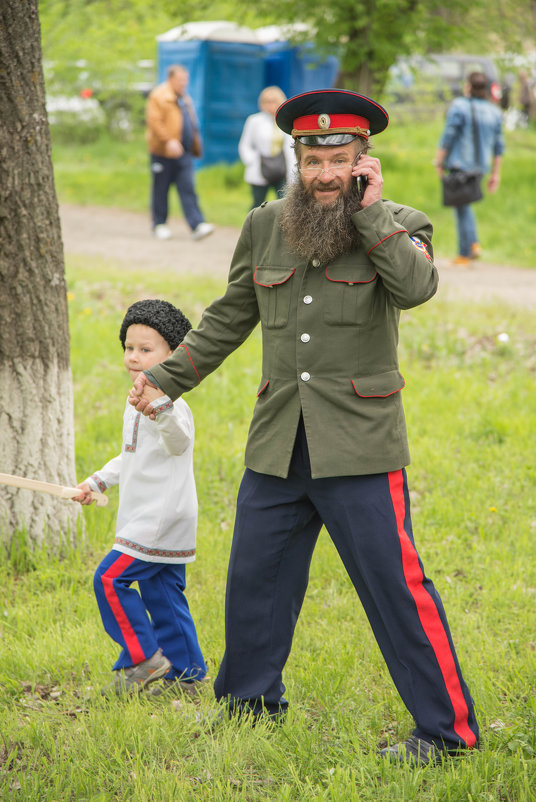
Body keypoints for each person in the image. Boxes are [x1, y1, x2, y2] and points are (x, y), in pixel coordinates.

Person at [129, 89, 480, 765]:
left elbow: (417, 288)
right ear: (296, 159)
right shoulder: (266, 225)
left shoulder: (399, 222)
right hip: (279, 439)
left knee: (396, 591)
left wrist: (373, 213)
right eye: (313, 159)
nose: (324, 174)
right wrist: (167, 379)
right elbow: (233, 312)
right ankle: (250, 708)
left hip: (361, 444)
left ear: (363, 161)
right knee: (255, 583)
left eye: (340, 160)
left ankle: (447, 733)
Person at [75, 299, 207, 697]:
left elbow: (179, 442)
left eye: (145, 349)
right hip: (147, 514)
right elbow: (130, 456)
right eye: (129, 347)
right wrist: (98, 482)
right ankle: (186, 675)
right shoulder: (134, 402)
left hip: (161, 516)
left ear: (174, 355)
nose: (134, 356)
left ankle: (143, 657)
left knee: (110, 579)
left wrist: (159, 409)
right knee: (164, 595)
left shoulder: (173, 403)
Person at [435, 71, 505, 266]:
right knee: (463, 205)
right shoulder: (494, 112)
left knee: (462, 206)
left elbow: (449, 136)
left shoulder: (459, 106)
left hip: (460, 164)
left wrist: (438, 160)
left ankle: (470, 247)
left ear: (468, 86)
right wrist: (495, 174)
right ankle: (466, 251)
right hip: (480, 166)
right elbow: (499, 147)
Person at [146, 65, 214, 241]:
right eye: (180, 80)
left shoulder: (183, 97)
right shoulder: (159, 96)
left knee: (188, 187)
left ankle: (197, 224)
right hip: (163, 153)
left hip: (184, 153)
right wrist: (168, 140)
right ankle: (159, 224)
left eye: (185, 80)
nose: (184, 83)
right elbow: (154, 121)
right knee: (161, 188)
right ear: (171, 79)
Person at [238, 86, 294, 209]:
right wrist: (251, 160)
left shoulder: (285, 120)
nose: (270, 105)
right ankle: (252, 227)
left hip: (281, 169)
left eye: (273, 101)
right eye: (266, 102)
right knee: (257, 204)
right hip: (260, 167)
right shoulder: (254, 120)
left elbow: (290, 147)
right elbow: (245, 145)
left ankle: (282, 228)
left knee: (284, 204)